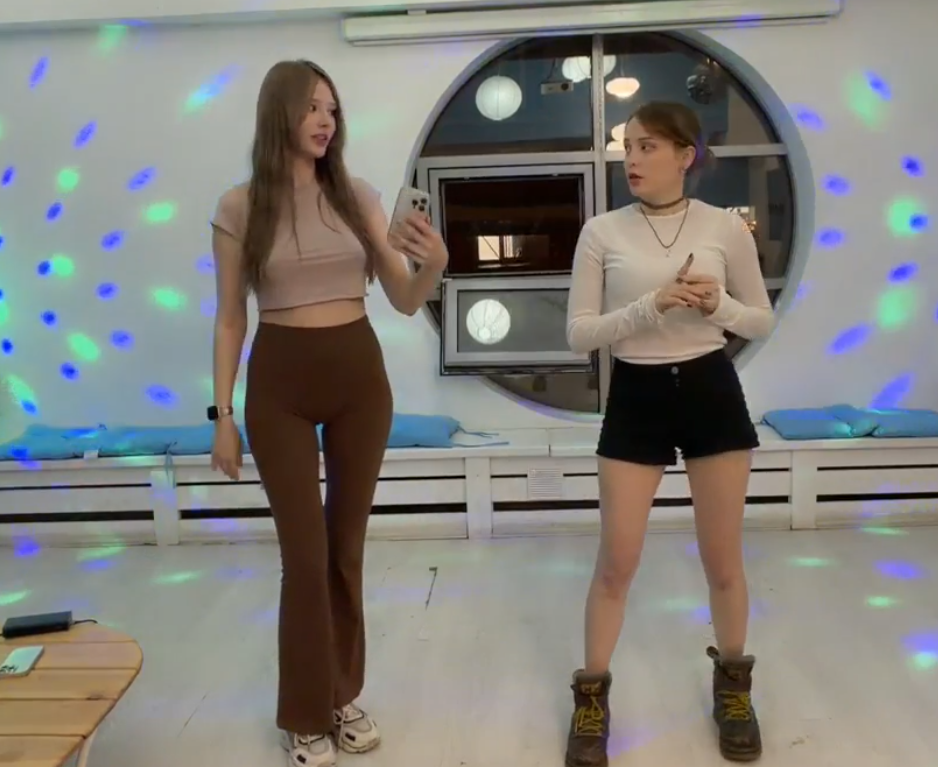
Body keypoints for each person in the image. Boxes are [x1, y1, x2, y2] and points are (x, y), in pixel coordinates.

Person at [208, 59, 448, 767]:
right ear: (278, 112)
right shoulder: (239, 206)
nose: (325, 121)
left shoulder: (357, 196)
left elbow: (403, 298)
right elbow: (229, 318)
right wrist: (222, 414)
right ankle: (303, 712)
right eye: (312, 107)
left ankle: (342, 694)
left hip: (357, 378)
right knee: (305, 558)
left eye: (333, 110)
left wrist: (434, 264)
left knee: (344, 550)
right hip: (279, 382)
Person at [563, 101, 775, 767]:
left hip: (711, 389)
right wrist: (650, 305)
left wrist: (720, 305)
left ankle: (733, 691)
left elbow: (760, 319)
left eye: (648, 146)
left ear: (687, 155)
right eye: (628, 146)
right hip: (637, 394)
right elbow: (579, 334)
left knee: (723, 559)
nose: (632, 158)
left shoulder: (724, 227)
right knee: (617, 561)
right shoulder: (601, 231)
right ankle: (592, 699)